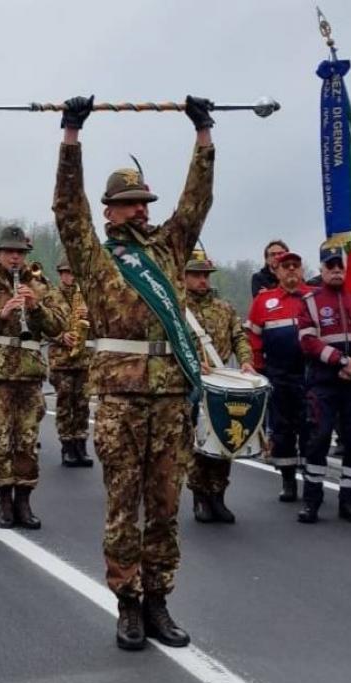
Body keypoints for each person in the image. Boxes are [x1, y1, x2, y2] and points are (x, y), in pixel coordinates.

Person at [53, 94, 215, 650]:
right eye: (130, 204)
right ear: (110, 212)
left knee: (166, 507)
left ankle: (159, 603)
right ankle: (126, 604)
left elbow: (196, 205)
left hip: (170, 399)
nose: (142, 209)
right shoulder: (97, 258)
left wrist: (204, 137)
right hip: (120, 401)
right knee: (124, 506)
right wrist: (71, 137)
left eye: (145, 201)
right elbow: (66, 212)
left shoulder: (170, 251)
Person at [0, 226, 66, 530]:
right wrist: (1, 314)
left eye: (20, 253)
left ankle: (24, 500)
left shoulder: (41, 287)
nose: (14, 258)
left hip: (30, 376)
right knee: (1, 442)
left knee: (26, 442)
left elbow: (59, 326)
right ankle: (4, 503)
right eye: (10, 252)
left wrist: (35, 308)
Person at [296, 245, 351, 524]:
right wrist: (342, 362)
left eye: (340, 266)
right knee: (318, 439)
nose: (335, 270)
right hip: (324, 383)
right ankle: (311, 501)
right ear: (321, 270)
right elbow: (307, 341)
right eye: (329, 266)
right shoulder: (310, 300)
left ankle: (349, 501)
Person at [183, 249, 255, 524]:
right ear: (185, 276)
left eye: (205, 275)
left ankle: (218, 495)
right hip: (191, 382)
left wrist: (246, 362)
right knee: (199, 442)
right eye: (197, 275)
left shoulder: (224, 308)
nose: (203, 280)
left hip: (221, 380)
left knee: (226, 439)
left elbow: (240, 337)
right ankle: (200, 497)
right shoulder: (178, 308)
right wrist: (191, 362)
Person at [246, 251, 310, 502]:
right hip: (279, 375)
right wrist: (258, 369)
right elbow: (252, 339)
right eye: (286, 266)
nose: (291, 269)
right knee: (283, 430)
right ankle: (288, 481)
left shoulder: (313, 297)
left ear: (302, 270)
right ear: (277, 271)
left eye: (296, 265)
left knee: (310, 428)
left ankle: (312, 482)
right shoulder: (265, 301)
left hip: (309, 374)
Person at [47, 257, 94, 468]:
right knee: (65, 403)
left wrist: (90, 316)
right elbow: (42, 326)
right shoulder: (50, 297)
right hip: (62, 360)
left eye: (74, 273)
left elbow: (103, 326)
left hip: (83, 359)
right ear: (60, 274)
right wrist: (60, 336)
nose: (70, 277)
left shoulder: (87, 296)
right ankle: (67, 445)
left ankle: (81, 444)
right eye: (66, 272)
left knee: (83, 404)